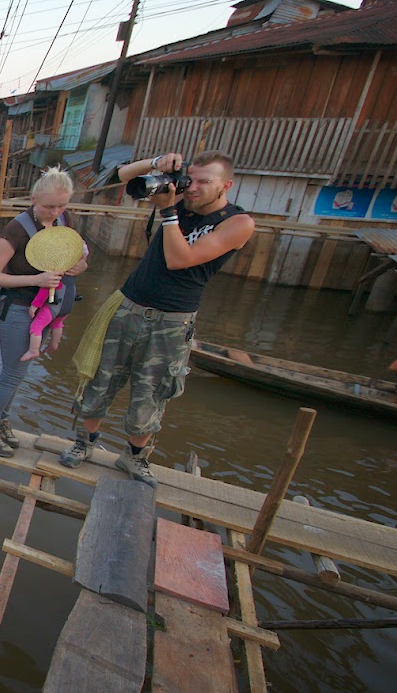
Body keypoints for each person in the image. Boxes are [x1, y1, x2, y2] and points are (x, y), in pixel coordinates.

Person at [59, 151, 256, 485]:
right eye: (190, 179)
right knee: (100, 380)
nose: (192, 188)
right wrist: (157, 164)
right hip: (130, 304)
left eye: (204, 182)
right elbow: (122, 176)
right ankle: (85, 443)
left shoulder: (237, 222)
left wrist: (168, 210)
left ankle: (134, 458)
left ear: (226, 185)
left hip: (172, 319)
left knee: (152, 392)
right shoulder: (178, 197)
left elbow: (182, 259)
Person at [0, 169, 88, 456]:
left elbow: (80, 258)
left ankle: (0, 421)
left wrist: (79, 266)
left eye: (62, 206)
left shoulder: (64, 222)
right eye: (49, 206)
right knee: (12, 374)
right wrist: (35, 280)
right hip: (18, 307)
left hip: (48, 307)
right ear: (34, 199)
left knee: (18, 373)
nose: (56, 212)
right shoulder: (16, 229)